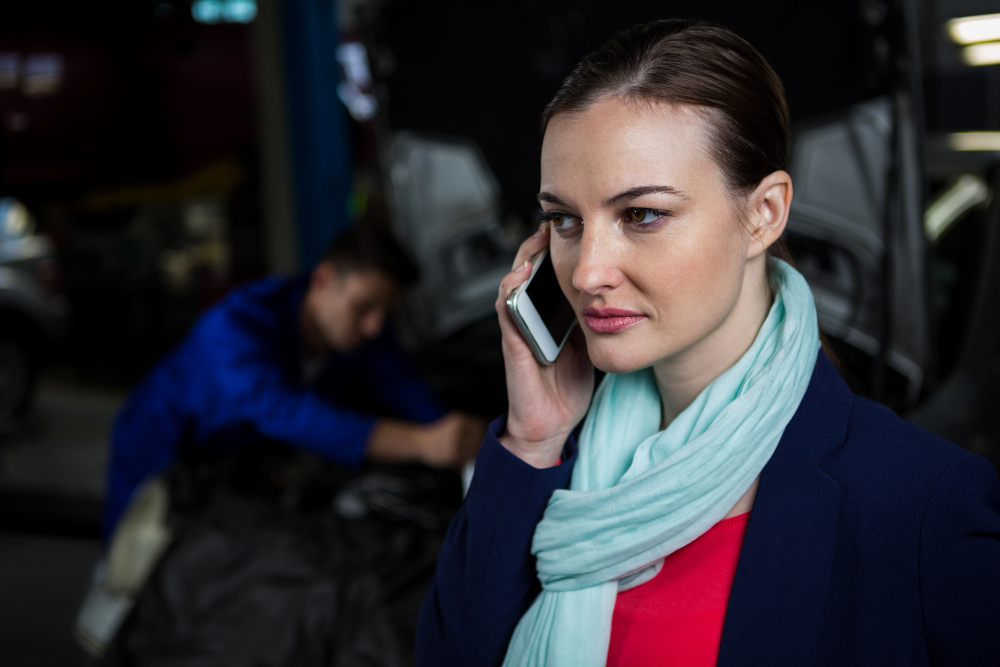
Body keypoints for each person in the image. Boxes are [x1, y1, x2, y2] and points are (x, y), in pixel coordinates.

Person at [416, 20, 1000, 667]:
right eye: (565, 220)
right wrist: (532, 438)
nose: (585, 271)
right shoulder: (548, 467)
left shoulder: (920, 505)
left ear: (764, 214)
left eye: (641, 215)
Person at [102, 223, 484, 541]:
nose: (374, 327)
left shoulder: (365, 334)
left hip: (235, 462)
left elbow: (403, 387)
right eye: (363, 307)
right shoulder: (234, 327)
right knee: (132, 574)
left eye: (386, 313)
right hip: (157, 448)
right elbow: (289, 414)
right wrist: (422, 444)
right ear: (324, 280)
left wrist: (458, 439)